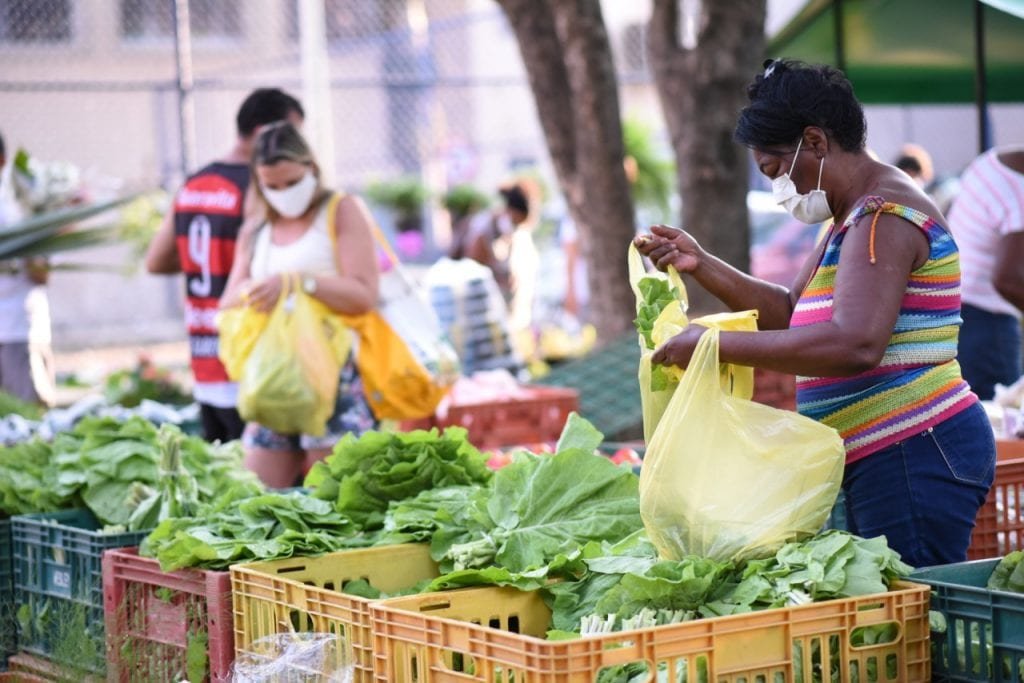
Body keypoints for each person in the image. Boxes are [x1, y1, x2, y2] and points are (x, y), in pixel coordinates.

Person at [634, 58, 995, 568]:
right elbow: (790, 311)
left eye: (777, 170)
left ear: (816, 142)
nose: (780, 187)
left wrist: (710, 345)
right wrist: (702, 264)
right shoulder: (853, 213)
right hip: (886, 455)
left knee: (916, 622)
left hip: (913, 450)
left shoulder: (883, 216)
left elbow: (854, 344)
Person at [220, 121, 380, 488]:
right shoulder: (256, 230)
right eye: (271, 186)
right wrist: (257, 293)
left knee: (340, 502)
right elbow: (227, 303)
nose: (283, 193)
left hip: (334, 375)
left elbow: (364, 295)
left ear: (312, 167)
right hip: (274, 382)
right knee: (257, 499)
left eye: (292, 183)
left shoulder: (339, 211)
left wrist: (298, 284)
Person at [146, 88, 304, 443]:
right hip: (246, 361)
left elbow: (156, 261)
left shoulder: (194, 183)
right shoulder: (263, 186)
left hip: (204, 358)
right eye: (292, 134)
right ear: (265, 131)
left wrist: (204, 260)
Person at [946, 145, 1024, 400]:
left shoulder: (989, 162)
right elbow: (1009, 279)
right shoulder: (1019, 195)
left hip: (956, 310)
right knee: (1002, 422)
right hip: (988, 327)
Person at [0, 130, 55, 407]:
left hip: (18, 329)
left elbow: (40, 273)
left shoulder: (19, 205)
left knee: (29, 423)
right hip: (13, 329)